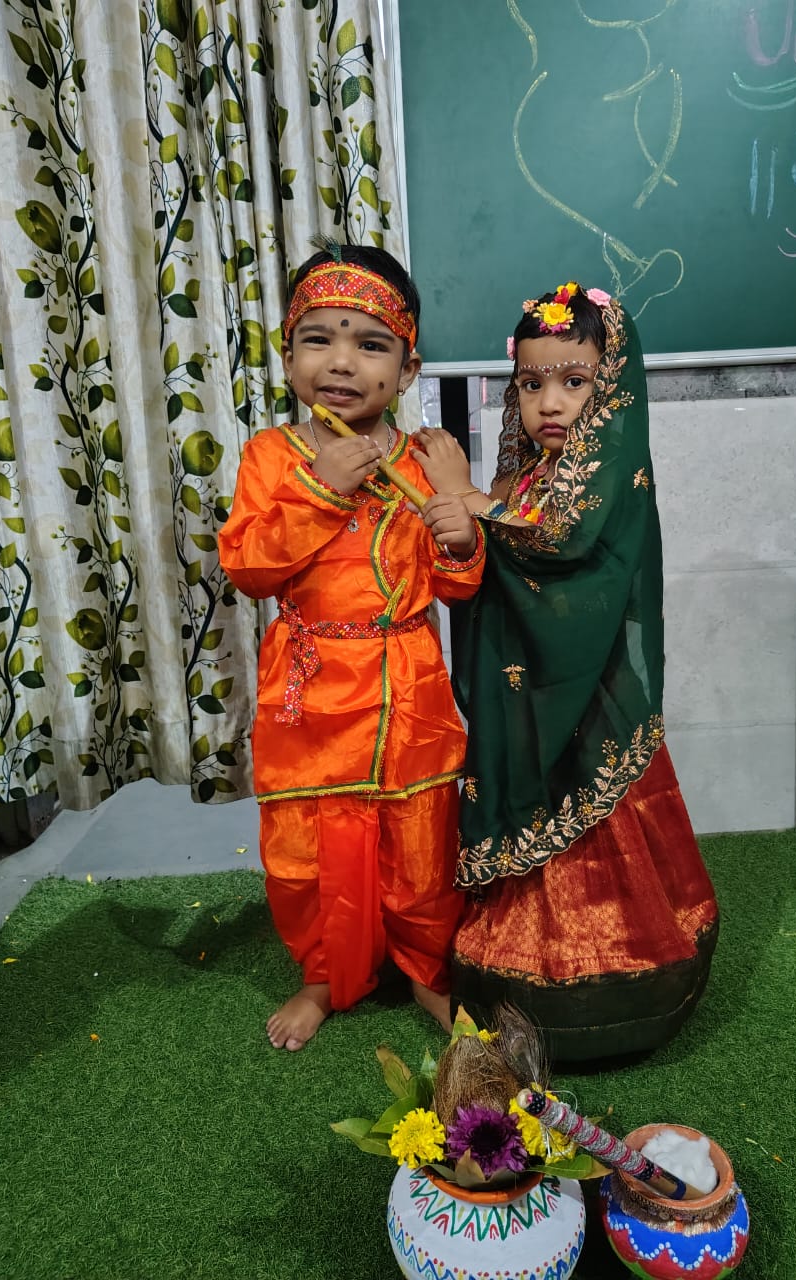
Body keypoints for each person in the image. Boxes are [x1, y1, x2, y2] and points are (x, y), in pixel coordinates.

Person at [413, 281, 718, 1063]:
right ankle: (515, 978)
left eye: (574, 381)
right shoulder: (528, 474)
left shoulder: (607, 471)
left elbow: (559, 544)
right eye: (530, 383)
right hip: (530, 692)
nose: (548, 403)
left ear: (610, 385)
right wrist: (470, 520)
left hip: (592, 696)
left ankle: (609, 985)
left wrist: (466, 498)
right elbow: (500, 550)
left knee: (593, 823)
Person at [218, 242, 484, 1051]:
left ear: (407, 371)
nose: (341, 362)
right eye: (319, 339)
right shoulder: (273, 457)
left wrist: (461, 534)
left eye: (370, 344)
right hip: (307, 695)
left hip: (408, 689)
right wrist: (321, 487)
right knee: (305, 853)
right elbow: (250, 568)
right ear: (287, 355)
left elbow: (457, 586)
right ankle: (324, 976)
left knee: (421, 844)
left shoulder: (424, 460)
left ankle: (428, 972)